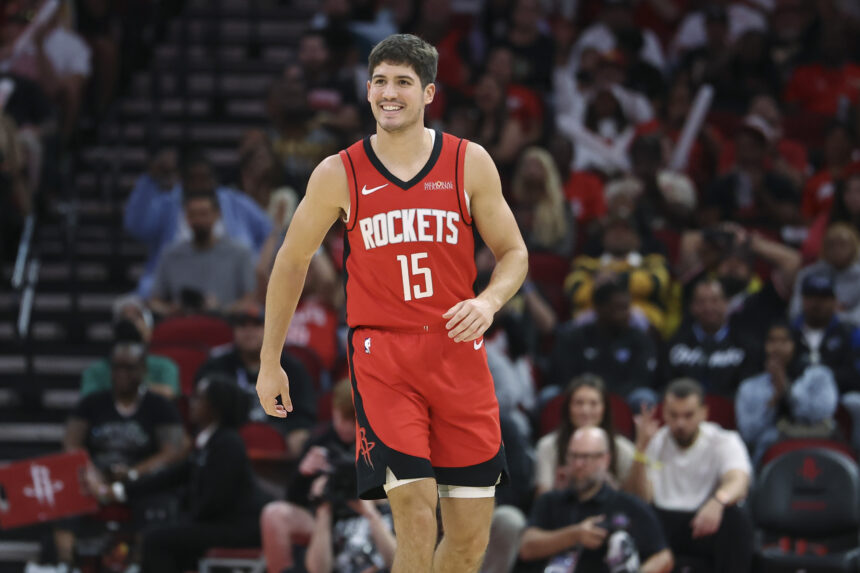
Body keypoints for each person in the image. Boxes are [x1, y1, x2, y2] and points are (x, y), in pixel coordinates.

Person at [256, 34, 528, 573]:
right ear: (367, 89)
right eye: (380, 81)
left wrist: (490, 300)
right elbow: (291, 262)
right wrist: (270, 362)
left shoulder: (468, 162)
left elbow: (515, 252)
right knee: (417, 516)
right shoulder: (339, 172)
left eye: (403, 82)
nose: (389, 92)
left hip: (458, 353)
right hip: (384, 360)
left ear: (428, 92)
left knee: (471, 541)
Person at [88, 375, 271, 573]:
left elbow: (217, 500)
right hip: (221, 523)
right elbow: (169, 477)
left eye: (198, 398)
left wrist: (185, 522)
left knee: (157, 540)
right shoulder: (207, 441)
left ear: (215, 407)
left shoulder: (228, 443)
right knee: (165, 536)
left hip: (241, 527)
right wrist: (119, 491)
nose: (191, 403)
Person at [628, 378, 754, 573]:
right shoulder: (654, 441)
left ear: (704, 412)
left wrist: (718, 501)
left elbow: (739, 481)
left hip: (704, 522)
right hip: (664, 522)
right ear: (664, 413)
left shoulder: (724, 440)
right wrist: (640, 450)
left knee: (736, 518)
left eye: (688, 415)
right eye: (673, 415)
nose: (680, 423)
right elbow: (642, 498)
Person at [520, 426, 674, 573]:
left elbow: (663, 557)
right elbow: (526, 548)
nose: (579, 464)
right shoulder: (550, 501)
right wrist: (575, 535)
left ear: (605, 459)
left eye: (586, 457)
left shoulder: (628, 505)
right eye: (574, 456)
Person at [260, 379, 357, 573]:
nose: (346, 426)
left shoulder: (378, 442)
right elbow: (293, 498)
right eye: (342, 418)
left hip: (366, 518)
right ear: (333, 410)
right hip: (323, 518)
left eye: (353, 420)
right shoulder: (319, 440)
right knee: (274, 514)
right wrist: (303, 474)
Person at [195, 303, 317, 455]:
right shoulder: (216, 367)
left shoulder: (292, 368)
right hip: (230, 432)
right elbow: (203, 410)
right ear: (233, 331)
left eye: (257, 325)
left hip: (281, 430)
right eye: (242, 326)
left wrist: (285, 431)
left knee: (300, 437)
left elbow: (305, 414)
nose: (249, 332)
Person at [736, 321, 839, 463]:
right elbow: (748, 434)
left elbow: (821, 413)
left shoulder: (819, 376)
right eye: (771, 341)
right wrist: (774, 400)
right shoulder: (749, 387)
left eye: (784, 341)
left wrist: (787, 389)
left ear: (796, 344)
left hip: (816, 448)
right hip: (771, 457)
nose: (777, 347)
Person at [148, 191, 257, 317]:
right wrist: (171, 310)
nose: (198, 220)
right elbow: (154, 301)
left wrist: (221, 310)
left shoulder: (240, 253)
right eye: (193, 215)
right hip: (182, 325)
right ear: (186, 217)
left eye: (204, 214)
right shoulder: (170, 254)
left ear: (217, 215)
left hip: (225, 327)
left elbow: (250, 300)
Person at [551, 279, 658, 405]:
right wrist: (589, 395)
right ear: (599, 309)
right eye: (619, 308)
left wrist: (609, 398)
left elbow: (641, 379)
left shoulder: (640, 339)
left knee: (644, 397)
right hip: (581, 397)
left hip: (623, 399)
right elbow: (564, 375)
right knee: (549, 394)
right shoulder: (575, 337)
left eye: (627, 308)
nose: (626, 314)